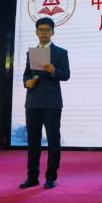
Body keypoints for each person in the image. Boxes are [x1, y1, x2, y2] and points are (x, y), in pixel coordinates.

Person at [20, 17, 70, 190]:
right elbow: (26, 74)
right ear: (36, 32)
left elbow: (66, 75)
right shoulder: (31, 53)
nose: (43, 33)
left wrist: (54, 71)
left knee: (53, 141)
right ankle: (32, 177)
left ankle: (51, 177)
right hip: (32, 101)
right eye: (40, 30)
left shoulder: (60, 52)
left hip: (52, 102)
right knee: (33, 142)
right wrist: (27, 82)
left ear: (52, 32)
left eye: (47, 30)